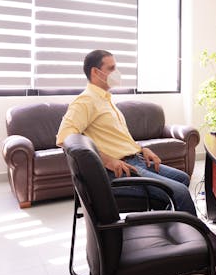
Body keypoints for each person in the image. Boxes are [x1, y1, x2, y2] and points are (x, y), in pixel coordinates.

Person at [56, 49, 196, 216]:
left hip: (136, 159)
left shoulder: (106, 100)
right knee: (179, 192)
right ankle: (199, 237)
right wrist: (107, 160)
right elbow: (64, 138)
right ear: (95, 72)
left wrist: (142, 149)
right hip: (119, 170)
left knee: (183, 178)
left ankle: (164, 221)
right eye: (111, 68)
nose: (117, 73)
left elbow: (118, 139)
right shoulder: (85, 101)